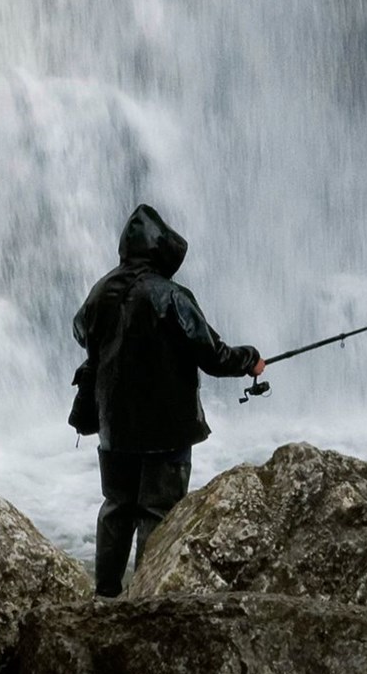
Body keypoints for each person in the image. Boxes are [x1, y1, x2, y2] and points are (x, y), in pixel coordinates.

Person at [69, 203, 263, 596]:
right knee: (159, 514)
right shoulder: (171, 296)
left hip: (114, 427)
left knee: (116, 507)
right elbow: (212, 355)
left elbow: (80, 332)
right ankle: (146, 599)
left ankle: (105, 595)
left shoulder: (100, 292)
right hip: (166, 430)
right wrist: (250, 360)